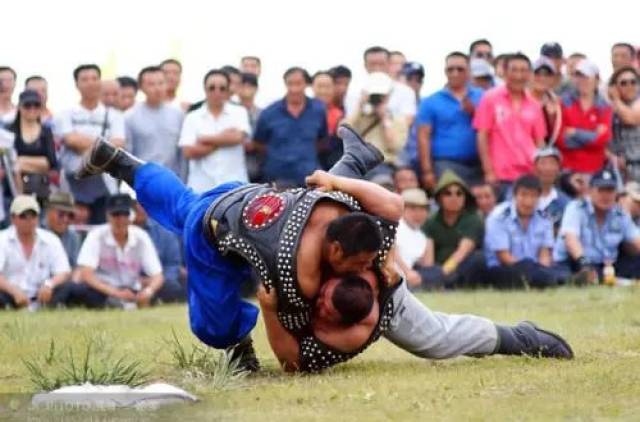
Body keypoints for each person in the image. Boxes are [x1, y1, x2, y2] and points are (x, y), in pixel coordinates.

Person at [77, 125, 573, 373]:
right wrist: (271, 309)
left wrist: (273, 311)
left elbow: (292, 359)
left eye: (369, 264)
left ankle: (517, 336)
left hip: (252, 202)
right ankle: (234, 345)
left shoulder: (360, 304)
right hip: (229, 220)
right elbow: (292, 357)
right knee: (207, 293)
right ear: (337, 256)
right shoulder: (298, 270)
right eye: (353, 266)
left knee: (435, 338)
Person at [57, 64, 126, 224]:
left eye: (95, 78)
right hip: (72, 185)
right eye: (85, 79)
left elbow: (118, 145)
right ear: (76, 84)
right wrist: (103, 145)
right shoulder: (66, 114)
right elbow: (70, 140)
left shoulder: (115, 116)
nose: (90, 83)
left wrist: (83, 142)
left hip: (105, 186)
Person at [73, 194, 164, 308]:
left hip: (133, 289)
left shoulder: (141, 237)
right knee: (80, 291)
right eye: (116, 214)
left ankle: (131, 303)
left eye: (125, 214)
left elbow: (157, 275)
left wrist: (148, 291)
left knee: (170, 287)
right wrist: (116, 293)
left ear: (131, 216)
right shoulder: (96, 235)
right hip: (103, 289)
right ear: (108, 216)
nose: (121, 219)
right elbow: (86, 274)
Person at [474, 53, 546, 193]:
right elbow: (482, 136)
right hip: (500, 175)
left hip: (528, 173)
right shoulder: (490, 98)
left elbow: (539, 142)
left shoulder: (535, 105)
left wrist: (539, 172)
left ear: (530, 74)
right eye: (514, 70)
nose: (519, 75)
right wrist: (488, 171)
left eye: (523, 70)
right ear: (505, 72)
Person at [553, 169, 640, 284]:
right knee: (574, 272)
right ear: (590, 191)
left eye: (610, 191)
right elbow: (570, 239)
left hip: (607, 264)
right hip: (576, 261)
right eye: (601, 190)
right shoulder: (576, 208)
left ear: (616, 194)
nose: (605, 196)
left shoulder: (620, 214)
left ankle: (609, 280)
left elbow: (636, 240)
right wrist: (584, 262)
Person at [418, 52, 484, 190]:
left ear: (469, 71)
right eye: (450, 69)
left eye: (460, 69)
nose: (455, 73)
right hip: (446, 164)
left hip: (479, 165)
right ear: (445, 71)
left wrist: (475, 112)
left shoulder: (482, 97)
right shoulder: (431, 101)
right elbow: (423, 137)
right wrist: (427, 171)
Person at [179, 69, 251, 192]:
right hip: (201, 188)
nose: (217, 92)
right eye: (211, 88)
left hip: (235, 188)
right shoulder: (192, 117)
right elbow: (188, 152)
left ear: (228, 91)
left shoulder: (239, 112)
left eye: (222, 88)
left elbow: (238, 138)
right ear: (205, 89)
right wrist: (224, 139)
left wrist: (204, 139)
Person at [254, 67, 327, 186]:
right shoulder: (269, 113)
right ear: (285, 84)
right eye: (290, 84)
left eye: (298, 84)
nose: (294, 89)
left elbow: (322, 141)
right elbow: (258, 143)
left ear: (306, 84)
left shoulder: (318, 110)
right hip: (277, 180)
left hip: (310, 180)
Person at [484, 175, 561, 289]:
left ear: (539, 197)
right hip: (504, 267)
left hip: (534, 267)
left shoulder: (544, 217)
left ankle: (546, 279)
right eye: (523, 195)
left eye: (533, 196)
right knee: (531, 270)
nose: (528, 201)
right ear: (514, 195)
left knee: (554, 270)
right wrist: (532, 269)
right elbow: (504, 257)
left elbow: (544, 254)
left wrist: (542, 270)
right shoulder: (499, 216)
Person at [0, 195, 72, 309]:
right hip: (9, 295)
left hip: (43, 295)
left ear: (38, 218)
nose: (29, 220)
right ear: (13, 218)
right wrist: (13, 291)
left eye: (33, 216)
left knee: (70, 288)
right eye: (23, 216)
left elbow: (63, 271)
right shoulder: (2, 239)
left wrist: (50, 284)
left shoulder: (51, 239)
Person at [422, 170, 486, 288]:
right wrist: (430, 273)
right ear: (439, 198)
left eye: (459, 193)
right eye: (448, 193)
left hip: (461, 269)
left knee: (479, 258)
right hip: (438, 268)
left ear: (465, 197)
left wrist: (442, 274)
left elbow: (462, 252)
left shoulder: (473, 219)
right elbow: (428, 258)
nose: (454, 197)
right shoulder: (431, 221)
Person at [344, 72, 408, 175]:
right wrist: (360, 105)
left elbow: (395, 147)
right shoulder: (360, 117)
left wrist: (384, 120)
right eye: (374, 95)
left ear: (388, 95)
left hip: (384, 166)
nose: (377, 98)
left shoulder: (398, 120)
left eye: (381, 95)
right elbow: (342, 132)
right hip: (358, 166)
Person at [125, 66, 184, 177]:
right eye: (151, 84)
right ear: (141, 87)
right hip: (143, 179)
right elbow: (128, 153)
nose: (157, 88)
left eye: (161, 83)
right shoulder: (130, 116)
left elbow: (182, 154)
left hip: (173, 179)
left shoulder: (178, 114)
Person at [557, 59, 612, 175]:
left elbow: (602, 140)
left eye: (586, 77)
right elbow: (561, 140)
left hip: (595, 171)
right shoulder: (563, 102)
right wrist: (592, 136)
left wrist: (574, 132)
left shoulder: (605, 107)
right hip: (567, 172)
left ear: (597, 80)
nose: (582, 81)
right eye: (578, 76)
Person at [8, 90, 57, 204]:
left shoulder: (46, 131)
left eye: (36, 105)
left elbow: (51, 162)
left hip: (41, 189)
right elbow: (8, 163)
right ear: (19, 107)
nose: (32, 109)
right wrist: (37, 163)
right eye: (27, 105)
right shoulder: (10, 131)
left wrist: (21, 162)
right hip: (13, 191)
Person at [345, 46, 416, 123]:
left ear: (389, 64)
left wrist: (384, 115)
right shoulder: (354, 92)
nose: (377, 68)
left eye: (381, 64)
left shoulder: (405, 92)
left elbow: (407, 122)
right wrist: (360, 105)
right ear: (365, 66)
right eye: (372, 64)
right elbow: (349, 126)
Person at [394, 188, 440, 289]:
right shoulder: (396, 226)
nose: (418, 214)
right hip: (396, 273)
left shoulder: (422, 236)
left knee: (437, 272)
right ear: (402, 208)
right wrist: (407, 272)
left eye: (423, 209)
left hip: (414, 275)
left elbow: (427, 265)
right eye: (413, 208)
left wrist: (429, 244)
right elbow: (392, 252)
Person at [608, 66, 640, 182]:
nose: (629, 86)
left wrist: (616, 99)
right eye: (624, 83)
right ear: (615, 87)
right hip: (618, 170)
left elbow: (631, 118)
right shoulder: (608, 106)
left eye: (633, 82)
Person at [534, 147, 570, 231]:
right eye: (543, 163)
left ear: (558, 169)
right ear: (534, 168)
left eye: (552, 163)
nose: (548, 168)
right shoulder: (521, 198)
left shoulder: (566, 203)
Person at [43, 191, 81, 269]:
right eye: (61, 214)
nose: (65, 219)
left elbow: (75, 268)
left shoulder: (73, 237)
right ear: (48, 212)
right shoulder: (34, 231)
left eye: (70, 215)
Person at [530, 57, 562, 145]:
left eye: (547, 74)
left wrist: (551, 118)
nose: (542, 78)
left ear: (553, 78)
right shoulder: (518, 100)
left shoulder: (559, 103)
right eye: (537, 73)